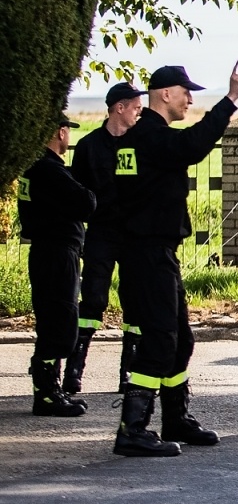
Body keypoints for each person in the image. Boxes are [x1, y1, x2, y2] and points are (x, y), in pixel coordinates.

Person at [112, 62, 238, 457]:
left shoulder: (143, 138)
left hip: (155, 252)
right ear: (165, 94)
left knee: (179, 338)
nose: (189, 99)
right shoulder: (149, 136)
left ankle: (175, 418)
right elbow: (192, 146)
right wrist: (229, 100)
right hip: (146, 251)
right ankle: (132, 429)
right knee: (159, 339)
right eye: (185, 92)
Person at [64, 81, 146, 395]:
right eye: (135, 108)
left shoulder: (141, 143)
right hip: (101, 233)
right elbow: (78, 191)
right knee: (93, 298)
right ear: (119, 108)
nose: (139, 113)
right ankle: (74, 370)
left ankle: (129, 372)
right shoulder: (89, 146)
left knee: (134, 300)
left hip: (134, 234)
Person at [18, 115, 97, 416]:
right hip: (57, 253)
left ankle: (50, 389)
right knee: (60, 322)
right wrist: (87, 186)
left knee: (53, 319)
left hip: (48, 251)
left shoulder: (34, 168)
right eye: (67, 131)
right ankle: (47, 394)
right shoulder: (49, 169)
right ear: (60, 133)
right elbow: (85, 203)